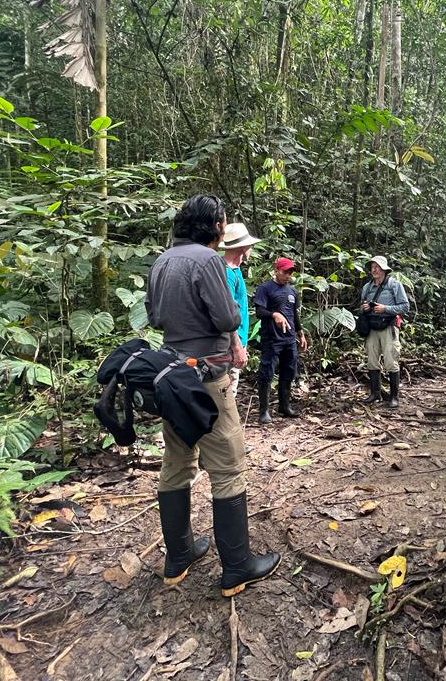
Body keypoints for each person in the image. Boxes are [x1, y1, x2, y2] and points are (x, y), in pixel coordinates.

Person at [145, 195, 280, 597]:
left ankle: (179, 556)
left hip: (172, 376)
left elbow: (154, 317)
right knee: (228, 466)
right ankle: (237, 567)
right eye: (222, 223)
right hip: (208, 378)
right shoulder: (207, 261)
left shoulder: (162, 261)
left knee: (176, 461)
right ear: (213, 227)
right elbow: (227, 318)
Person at [252, 257, 308, 424]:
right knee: (267, 373)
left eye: (291, 272)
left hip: (289, 339)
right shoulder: (265, 288)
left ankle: (284, 406)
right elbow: (259, 311)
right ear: (276, 270)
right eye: (285, 272)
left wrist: (300, 333)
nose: (288, 275)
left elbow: (294, 314)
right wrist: (274, 314)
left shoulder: (292, 291)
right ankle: (264, 411)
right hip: (272, 338)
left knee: (288, 372)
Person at [360, 255, 409, 409]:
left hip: (389, 326)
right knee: (372, 360)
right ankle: (375, 394)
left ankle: (394, 397)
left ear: (384, 269)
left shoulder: (394, 285)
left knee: (390, 361)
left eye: (377, 267)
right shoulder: (367, 287)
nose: (374, 269)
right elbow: (361, 306)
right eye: (372, 267)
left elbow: (405, 307)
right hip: (372, 327)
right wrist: (365, 308)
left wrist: (385, 308)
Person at [221, 222, 261, 394]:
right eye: (250, 246)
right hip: (229, 344)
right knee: (227, 391)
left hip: (236, 340)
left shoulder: (235, 271)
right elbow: (226, 312)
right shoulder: (227, 273)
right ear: (243, 248)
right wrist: (236, 347)